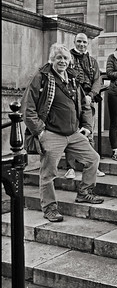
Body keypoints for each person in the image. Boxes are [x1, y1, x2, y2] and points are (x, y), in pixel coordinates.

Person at [22, 43, 104, 222]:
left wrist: (87, 127)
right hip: (51, 133)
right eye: (59, 57)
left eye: (65, 58)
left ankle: (84, 192)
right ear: (52, 59)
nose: (62, 61)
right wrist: (40, 132)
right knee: (48, 173)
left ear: (70, 61)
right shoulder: (41, 77)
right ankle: (49, 208)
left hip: (73, 133)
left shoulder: (73, 80)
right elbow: (28, 109)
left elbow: (85, 106)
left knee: (93, 159)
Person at [64, 33, 105, 179]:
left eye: (84, 42)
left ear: (88, 44)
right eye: (79, 41)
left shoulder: (92, 61)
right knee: (71, 132)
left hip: (87, 100)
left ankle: (92, 166)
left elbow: (97, 80)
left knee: (89, 132)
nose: (81, 44)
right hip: (71, 100)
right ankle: (71, 168)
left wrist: (91, 95)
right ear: (74, 42)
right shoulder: (67, 58)